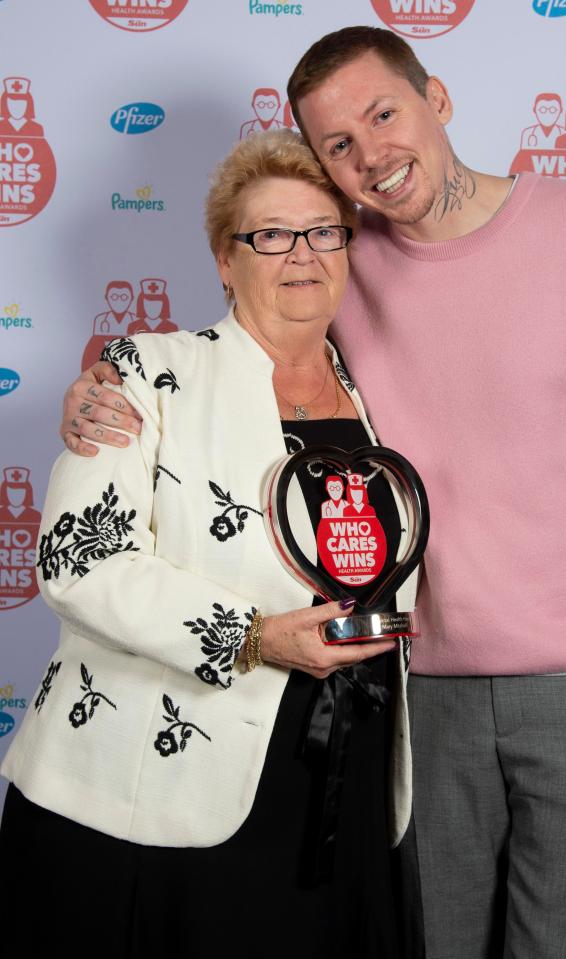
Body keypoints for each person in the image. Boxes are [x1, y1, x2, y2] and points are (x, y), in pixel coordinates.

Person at [58, 25, 566, 959]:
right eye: (339, 144)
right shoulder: (338, 260)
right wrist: (106, 381)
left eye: (385, 114)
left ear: (439, 100)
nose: (371, 155)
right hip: (423, 701)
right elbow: (245, 343)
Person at [1, 129, 418, 958]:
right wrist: (255, 635)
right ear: (226, 261)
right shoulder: (147, 371)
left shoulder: (384, 392)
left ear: (347, 248)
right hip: (161, 788)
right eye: (269, 235)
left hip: (350, 778)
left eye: (322, 230)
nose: (300, 253)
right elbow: (80, 562)